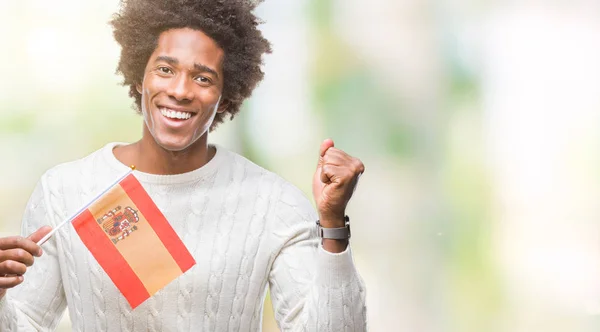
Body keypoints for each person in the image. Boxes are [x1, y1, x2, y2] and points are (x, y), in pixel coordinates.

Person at [0, 0, 367, 331]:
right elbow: (25, 322)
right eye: (164, 69)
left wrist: (333, 225)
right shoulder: (67, 189)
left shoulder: (273, 203)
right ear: (139, 78)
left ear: (224, 98)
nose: (180, 90)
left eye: (203, 78)